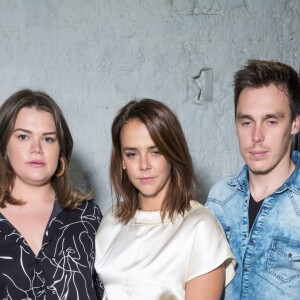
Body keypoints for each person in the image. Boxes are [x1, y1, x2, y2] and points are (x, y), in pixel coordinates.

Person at [95, 99, 236, 299]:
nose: (144, 165)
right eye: (132, 154)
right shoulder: (111, 220)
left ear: (172, 154)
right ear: (122, 161)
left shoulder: (200, 226)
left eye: (155, 152)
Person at [206, 59, 300, 299]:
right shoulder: (219, 199)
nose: (256, 136)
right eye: (246, 122)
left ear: (295, 123)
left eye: (271, 121)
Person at [0, 89, 103, 299]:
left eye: (48, 139)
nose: (36, 148)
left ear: (60, 150)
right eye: (23, 136)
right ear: (3, 147)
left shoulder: (88, 217)